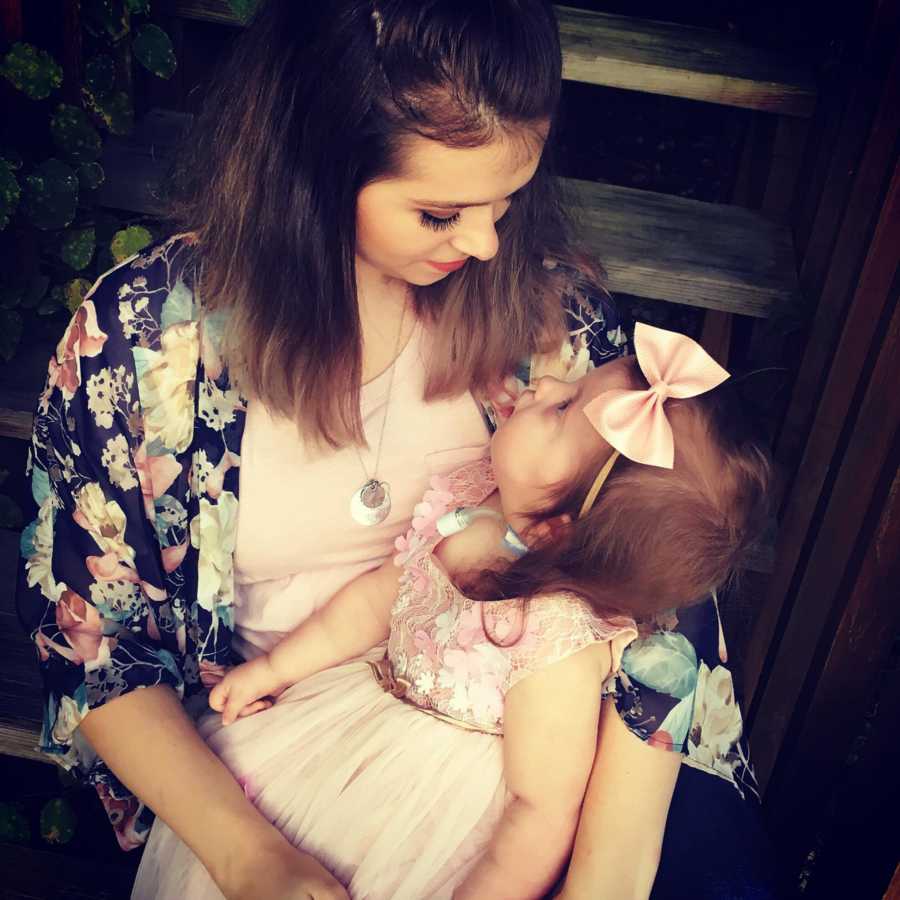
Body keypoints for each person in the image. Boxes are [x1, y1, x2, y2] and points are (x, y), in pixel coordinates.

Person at [15, 1, 778, 898]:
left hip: (571, 778)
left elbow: (655, 589)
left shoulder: (549, 320)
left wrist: (604, 873)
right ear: (316, 169)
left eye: (507, 199)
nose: (488, 241)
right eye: (440, 211)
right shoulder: (143, 345)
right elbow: (100, 648)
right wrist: (250, 856)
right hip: (298, 767)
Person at [130, 325, 771, 900]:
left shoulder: (553, 639)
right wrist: (274, 670)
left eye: (561, 408)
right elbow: (377, 602)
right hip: (353, 727)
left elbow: (540, 810)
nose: (546, 381)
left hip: (430, 812)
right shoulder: (469, 506)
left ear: (557, 528)